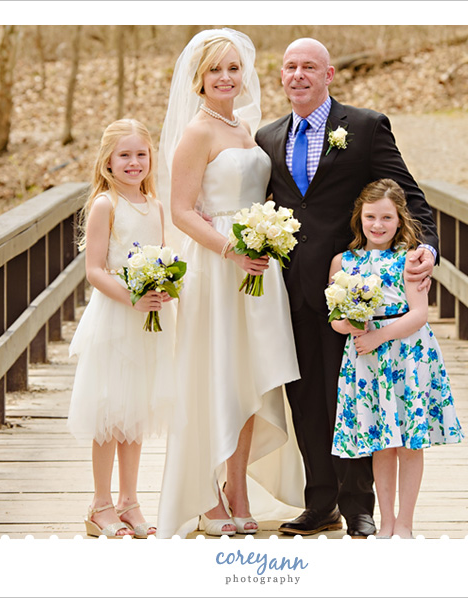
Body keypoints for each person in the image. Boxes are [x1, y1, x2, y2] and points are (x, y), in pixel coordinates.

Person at [255, 37, 440, 537]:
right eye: (290, 66)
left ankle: (359, 504)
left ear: (329, 74)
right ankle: (320, 502)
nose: (298, 75)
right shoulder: (266, 137)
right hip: (290, 290)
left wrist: (429, 250)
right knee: (306, 400)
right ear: (281, 76)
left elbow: (412, 198)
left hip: (355, 294)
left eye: (309, 67)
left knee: (356, 396)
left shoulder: (363, 127)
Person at [155, 29, 303, 538]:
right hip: (218, 269)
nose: (225, 77)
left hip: (258, 270)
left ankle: (239, 491)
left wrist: (264, 242)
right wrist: (231, 249)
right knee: (216, 377)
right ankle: (209, 495)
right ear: (197, 79)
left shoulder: (245, 128)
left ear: (245, 74)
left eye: (233, 68)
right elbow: (179, 210)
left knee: (249, 382)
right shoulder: (197, 132)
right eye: (215, 69)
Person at [329, 179, 463, 538]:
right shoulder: (343, 262)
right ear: (359, 218)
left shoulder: (411, 259)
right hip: (367, 362)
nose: (377, 225)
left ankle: (405, 523)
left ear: (400, 220)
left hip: (407, 355)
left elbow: (419, 313)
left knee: (408, 441)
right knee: (381, 442)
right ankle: (385, 521)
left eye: (386, 217)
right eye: (371, 216)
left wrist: (378, 336)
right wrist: (350, 324)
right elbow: (335, 319)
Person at [67, 119, 174, 538]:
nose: (134, 162)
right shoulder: (105, 205)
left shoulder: (156, 206)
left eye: (141, 154)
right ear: (108, 161)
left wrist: (163, 288)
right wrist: (131, 296)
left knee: (136, 409)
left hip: (149, 318)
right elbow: (94, 270)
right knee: (110, 411)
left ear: (151, 159)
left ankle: (130, 500)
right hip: (116, 315)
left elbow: (162, 256)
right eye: (124, 155)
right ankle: (100, 504)